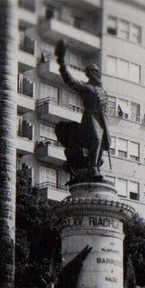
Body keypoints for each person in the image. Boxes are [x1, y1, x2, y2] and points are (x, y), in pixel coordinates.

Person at [55, 38, 110, 182]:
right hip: (90, 117)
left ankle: (95, 167)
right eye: (94, 71)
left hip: (102, 119)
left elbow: (105, 110)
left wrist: (107, 127)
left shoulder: (103, 90)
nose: (97, 74)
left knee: (103, 143)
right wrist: (62, 64)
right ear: (89, 73)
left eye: (98, 72)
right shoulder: (86, 88)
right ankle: (92, 168)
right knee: (97, 140)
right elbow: (70, 80)